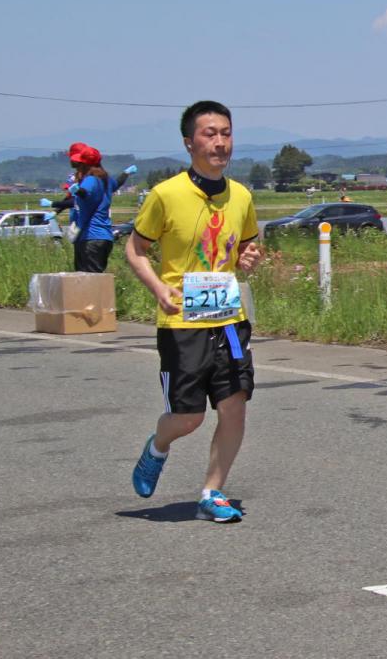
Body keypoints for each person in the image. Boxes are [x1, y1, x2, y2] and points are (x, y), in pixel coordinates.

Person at [126, 101, 263, 523]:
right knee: (188, 417)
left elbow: (245, 247)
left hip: (228, 319)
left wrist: (249, 256)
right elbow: (135, 250)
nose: (219, 142)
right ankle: (157, 447)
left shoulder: (241, 196)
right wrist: (158, 288)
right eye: (209, 133)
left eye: (226, 132)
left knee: (234, 404)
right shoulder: (166, 195)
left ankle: (212, 491)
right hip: (182, 322)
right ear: (189, 143)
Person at [41, 147, 137, 270]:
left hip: (91, 236)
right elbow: (117, 183)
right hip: (104, 237)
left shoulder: (91, 180)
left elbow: (85, 194)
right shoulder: (106, 179)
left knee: (89, 281)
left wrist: (77, 191)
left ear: (84, 163)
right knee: (94, 278)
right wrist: (126, 173)